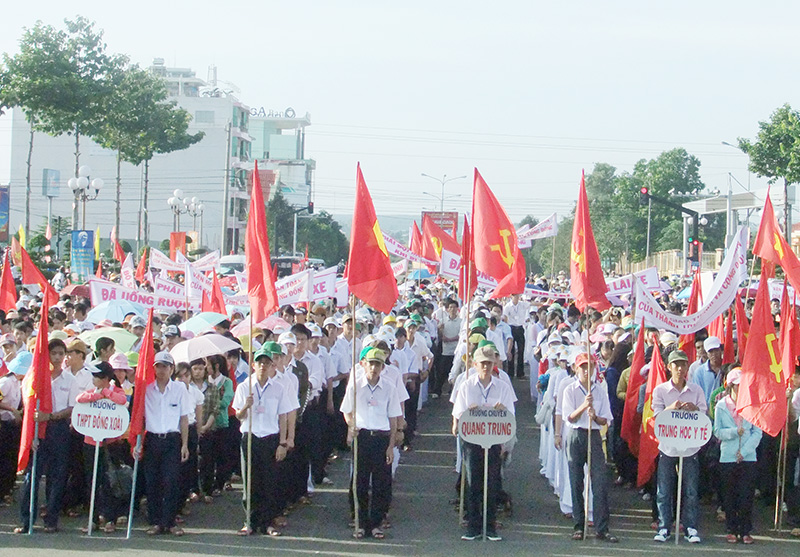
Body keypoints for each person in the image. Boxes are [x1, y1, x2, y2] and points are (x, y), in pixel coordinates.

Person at [452, 345, 516, 542]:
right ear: (475, 364)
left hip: (494, 441)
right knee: (473, 483)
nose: (486, 367)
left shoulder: (503, 387)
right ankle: (473, 526)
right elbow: (457, 417)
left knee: (492, 483)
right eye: (482, 363)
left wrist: (503, 412)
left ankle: (490, 527)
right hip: (472, 441)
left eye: (489, 363)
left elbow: (511, 417)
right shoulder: (466, 385)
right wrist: (466, 413)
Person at [16, 339, 80, 533]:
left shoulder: (70, 380)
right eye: (54, 353)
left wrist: (51, 416)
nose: (58, 357)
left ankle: (51, 520)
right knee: (32, 475)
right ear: (47, 355)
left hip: (59, 429)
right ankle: (26, 521)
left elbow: (71, 408)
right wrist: (34, 424)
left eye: (61, 353)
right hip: (37, 428)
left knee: (57, 476)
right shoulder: (34, 377)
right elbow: (26, 403)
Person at [232, 342, 294, 536]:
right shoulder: (244, 387)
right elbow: (238, 416)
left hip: (270, 437)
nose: (262, 366)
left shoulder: (278, 388)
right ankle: (249, 521)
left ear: (272, 366)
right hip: (250, 437)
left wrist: (283, 442)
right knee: (250, 482)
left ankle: (267, 522)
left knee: (269, 482)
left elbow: (283, 415)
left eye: (266, 363)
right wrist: (246, 407)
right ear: (253, 365)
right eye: (259, 362)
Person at [340, 347, 402, 540]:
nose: (374, 368)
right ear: (364, 364)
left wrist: (391, 445)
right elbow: (346, 411)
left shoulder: (390, 388)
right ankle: (360, 523)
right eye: (371, 363)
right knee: (359, 482)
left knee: (381, 483)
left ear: (383, 367)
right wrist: (351, 425)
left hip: (382, 437)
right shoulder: (355, 386)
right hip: (363, 437)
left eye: (378, 364)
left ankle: (375, 523)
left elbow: (393, 418)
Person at [561, 352, 617, 543]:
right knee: (576, 482)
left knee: (600, 483)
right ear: (576, 369)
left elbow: (606, 420)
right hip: (576, 435)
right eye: (582, 367)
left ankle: (602, 527)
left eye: (589, 366)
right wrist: (584, 406)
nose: (586, 370)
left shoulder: (600, 390)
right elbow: (569, 417)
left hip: (593, 435)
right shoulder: (570, 390)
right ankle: (579, 525)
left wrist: (595, 416)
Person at [651, 349, 707, 544]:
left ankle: (690, 527)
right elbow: (656, 418)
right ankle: (664, 526)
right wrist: (670, 408)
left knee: (691, 490)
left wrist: (696, 409)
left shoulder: (696, 390)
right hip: (667, 447)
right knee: (664, 490)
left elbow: (704, 416)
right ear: (669, 367)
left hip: (690, 447)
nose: (680, 368)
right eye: (676, 365)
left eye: (683, 364)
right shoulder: (660, 390)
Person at [137, 351, 190, 536]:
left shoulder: (180, 389)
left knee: (171, 481)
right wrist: (137, 442)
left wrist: (185, 444)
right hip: (152, 439)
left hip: (172, 440)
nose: (161, 370)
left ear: (172, 369)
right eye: (158, 366)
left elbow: (184, 419)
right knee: (152, 482)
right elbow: (139, 418)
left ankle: (170, 521)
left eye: (165, 366)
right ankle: (156, 521)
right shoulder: (147, 389)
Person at [75, 362, 129, 533]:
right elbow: (80, 399)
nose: (93, 379)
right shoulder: (92, 392)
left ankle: (110, 518)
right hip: (90, 443)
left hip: (110, 444)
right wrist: (98, 396)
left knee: (109, 481)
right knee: (92, 481)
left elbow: (121, 400)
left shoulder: (116, 391)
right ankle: (93, 518)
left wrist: (106, 392)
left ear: (105, 378)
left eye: (96, 377)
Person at [714, 367, 761, 544]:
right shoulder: (720, 405)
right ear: (730, 386)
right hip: (727, 457)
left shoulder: (752, 405)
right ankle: (732, 529)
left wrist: (745, 451)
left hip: (748, 458)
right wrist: (735, 432)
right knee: (730, 494)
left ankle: (746, 530)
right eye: (737, 386)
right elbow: (717, 431)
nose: (741, 389)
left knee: (746, 495)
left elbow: (757, 432)